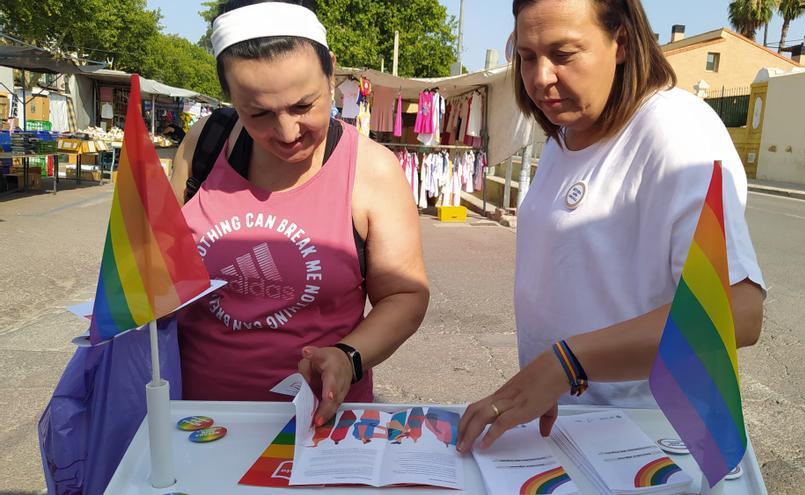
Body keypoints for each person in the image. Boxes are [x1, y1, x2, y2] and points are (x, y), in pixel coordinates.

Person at [457, 0, 766, 453]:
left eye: (563, 54)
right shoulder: (565, 135)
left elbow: (738, 310)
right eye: (526, 56)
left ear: (620, 42)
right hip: (566, 435)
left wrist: (567, 363)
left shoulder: (677, 131)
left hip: (652, 443)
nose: (541, 77)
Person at [169, 0, 429, 426]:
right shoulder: (205, 145)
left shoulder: (371, 170)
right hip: (197, 420)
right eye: (259, 114)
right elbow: (158, 258)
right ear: (231, 98)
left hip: (322, 424)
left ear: (331, 72)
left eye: (304, 106)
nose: (288, 133)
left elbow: (405, 295)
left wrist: (349, 357)